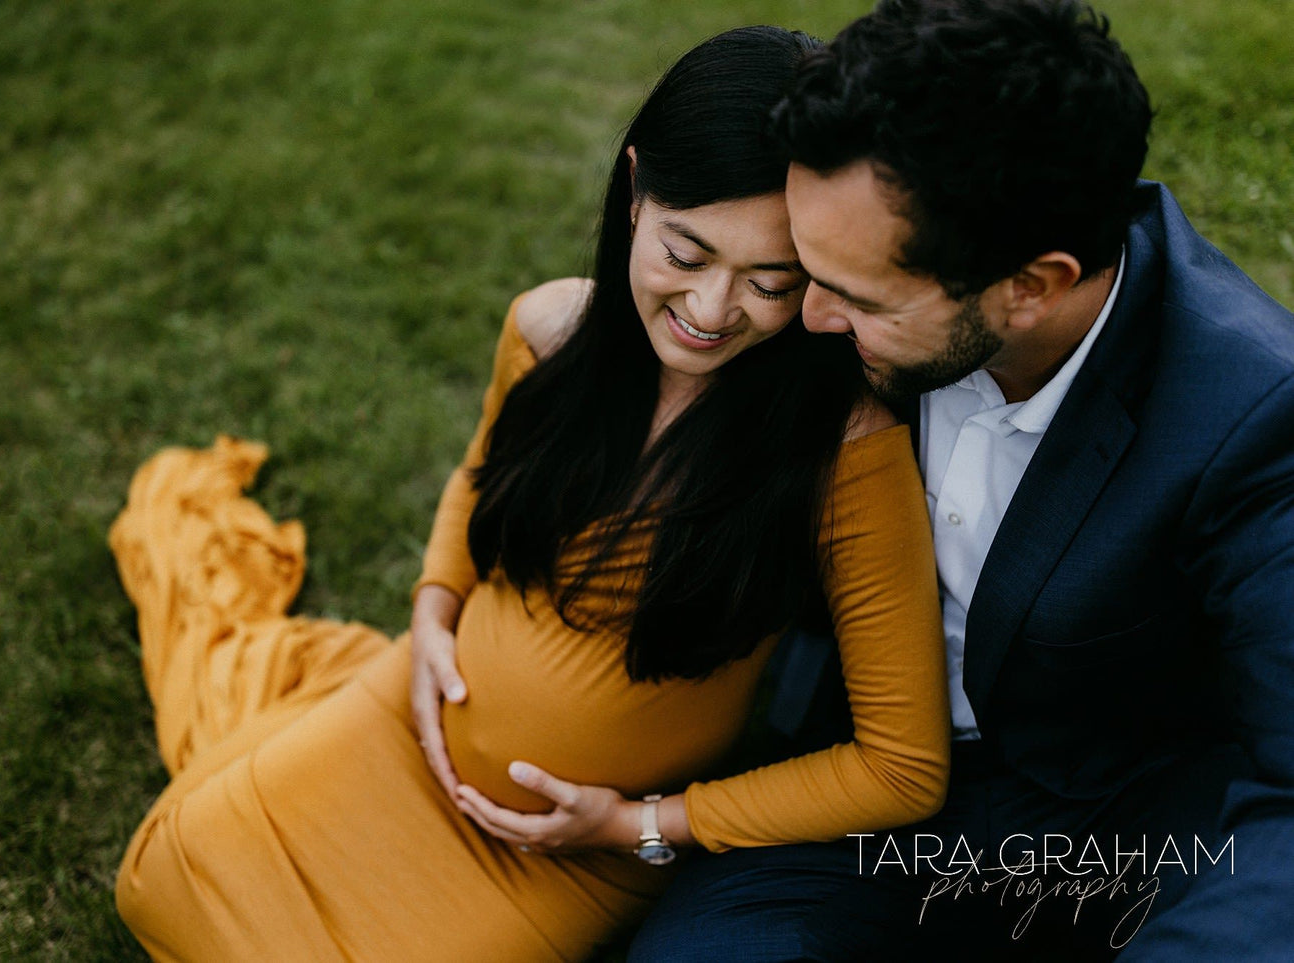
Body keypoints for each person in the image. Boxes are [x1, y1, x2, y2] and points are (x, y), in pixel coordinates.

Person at [108, 26, 951, 961]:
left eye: (769, 282)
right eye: (685, 252)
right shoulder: (552, 329)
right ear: (634, 191)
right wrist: (432, 613)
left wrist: (638, 823)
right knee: (173, 874)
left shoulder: (843, 450)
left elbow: (900, 767)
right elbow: (479, 478)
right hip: (405, 725)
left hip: (576, 851)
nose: (712, 312)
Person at [631, 1, 1294, 960]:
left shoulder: (1253, 417)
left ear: (1029, 287)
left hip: (1122, 834)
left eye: (854, 297)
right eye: (799, 270)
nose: (804, 316)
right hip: (851, 783)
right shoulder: (846, 281)